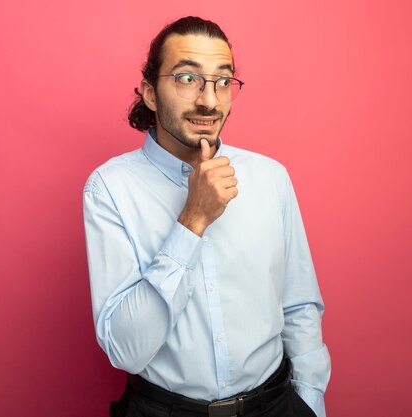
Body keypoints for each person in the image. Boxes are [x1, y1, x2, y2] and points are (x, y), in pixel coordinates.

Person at [83, 16, 330, 417]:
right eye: (187, 78)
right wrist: (192, 220)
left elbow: (298, 306)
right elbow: (125, 350)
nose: (210, 101)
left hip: (275, 406)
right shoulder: (109, 188)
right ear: (149, 92)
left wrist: (310, 401)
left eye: (222, 81)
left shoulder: (271, 178)